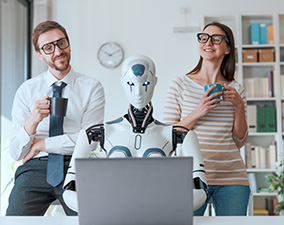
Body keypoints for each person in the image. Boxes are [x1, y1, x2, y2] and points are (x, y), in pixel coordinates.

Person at [62, 55, 208, 212]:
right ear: (122, 83)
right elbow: (70, 188)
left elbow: (200, 189)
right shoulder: (96, 133)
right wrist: (97, 206)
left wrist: (170, 206)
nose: (138, 92)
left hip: (158, 215)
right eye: (131, 84)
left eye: (145, 84)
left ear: (155, 82)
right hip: (113, 215)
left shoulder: (178, 135)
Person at [6, 21, 105, 216]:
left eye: (61, 43)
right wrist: (33, 120)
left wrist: (41, 144)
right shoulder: (27, 90)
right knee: (14, 222)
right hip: (35, 168)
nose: (58, 51)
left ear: (68, 44)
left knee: (93, 220)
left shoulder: (92, 87)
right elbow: (16, 152)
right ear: (39, 55)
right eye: (48, 48)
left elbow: (90, 141)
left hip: (76, 165)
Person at [163, 21, 250, 216]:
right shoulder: (180, 85)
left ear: (227, 48)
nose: (208, 42)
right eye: (204, 38)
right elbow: (168, 135)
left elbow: (240, 140)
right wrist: (199, 111)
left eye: (216, 38)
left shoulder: (237, 89)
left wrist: (239, 106)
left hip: (232, 179)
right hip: (190, 177)